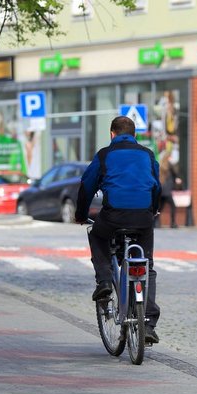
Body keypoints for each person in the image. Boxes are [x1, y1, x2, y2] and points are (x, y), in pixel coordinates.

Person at [75, 116, 162, 344]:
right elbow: (156, 186)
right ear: (134, 135)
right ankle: (149, 323)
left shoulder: (105, 154)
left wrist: (81, 214)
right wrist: (153, 210)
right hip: (143, 217)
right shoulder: (148, 154)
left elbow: (87, 185)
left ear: (112, 134)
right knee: (147, 265)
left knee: (96, 235)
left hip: (113, 216)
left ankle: (104, 281)